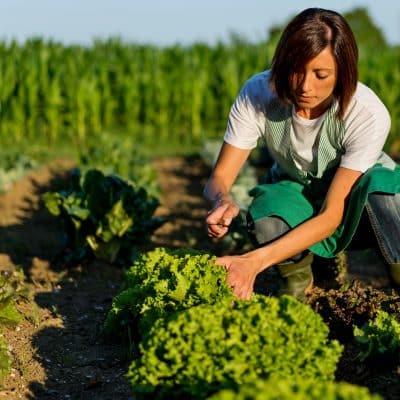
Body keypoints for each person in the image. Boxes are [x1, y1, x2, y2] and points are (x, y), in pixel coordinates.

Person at [204, 7, 400, 301]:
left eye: (321, 75)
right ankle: (300, 283)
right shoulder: (258, 94)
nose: (306, 86)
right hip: (299, 192)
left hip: (356, 203)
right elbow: (219, 176)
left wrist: (254, 261)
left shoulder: (366, 112)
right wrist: (223, 200)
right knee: (266, 212)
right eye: (296, 70)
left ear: (343, 72)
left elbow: (332, 214)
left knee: (387, 197)